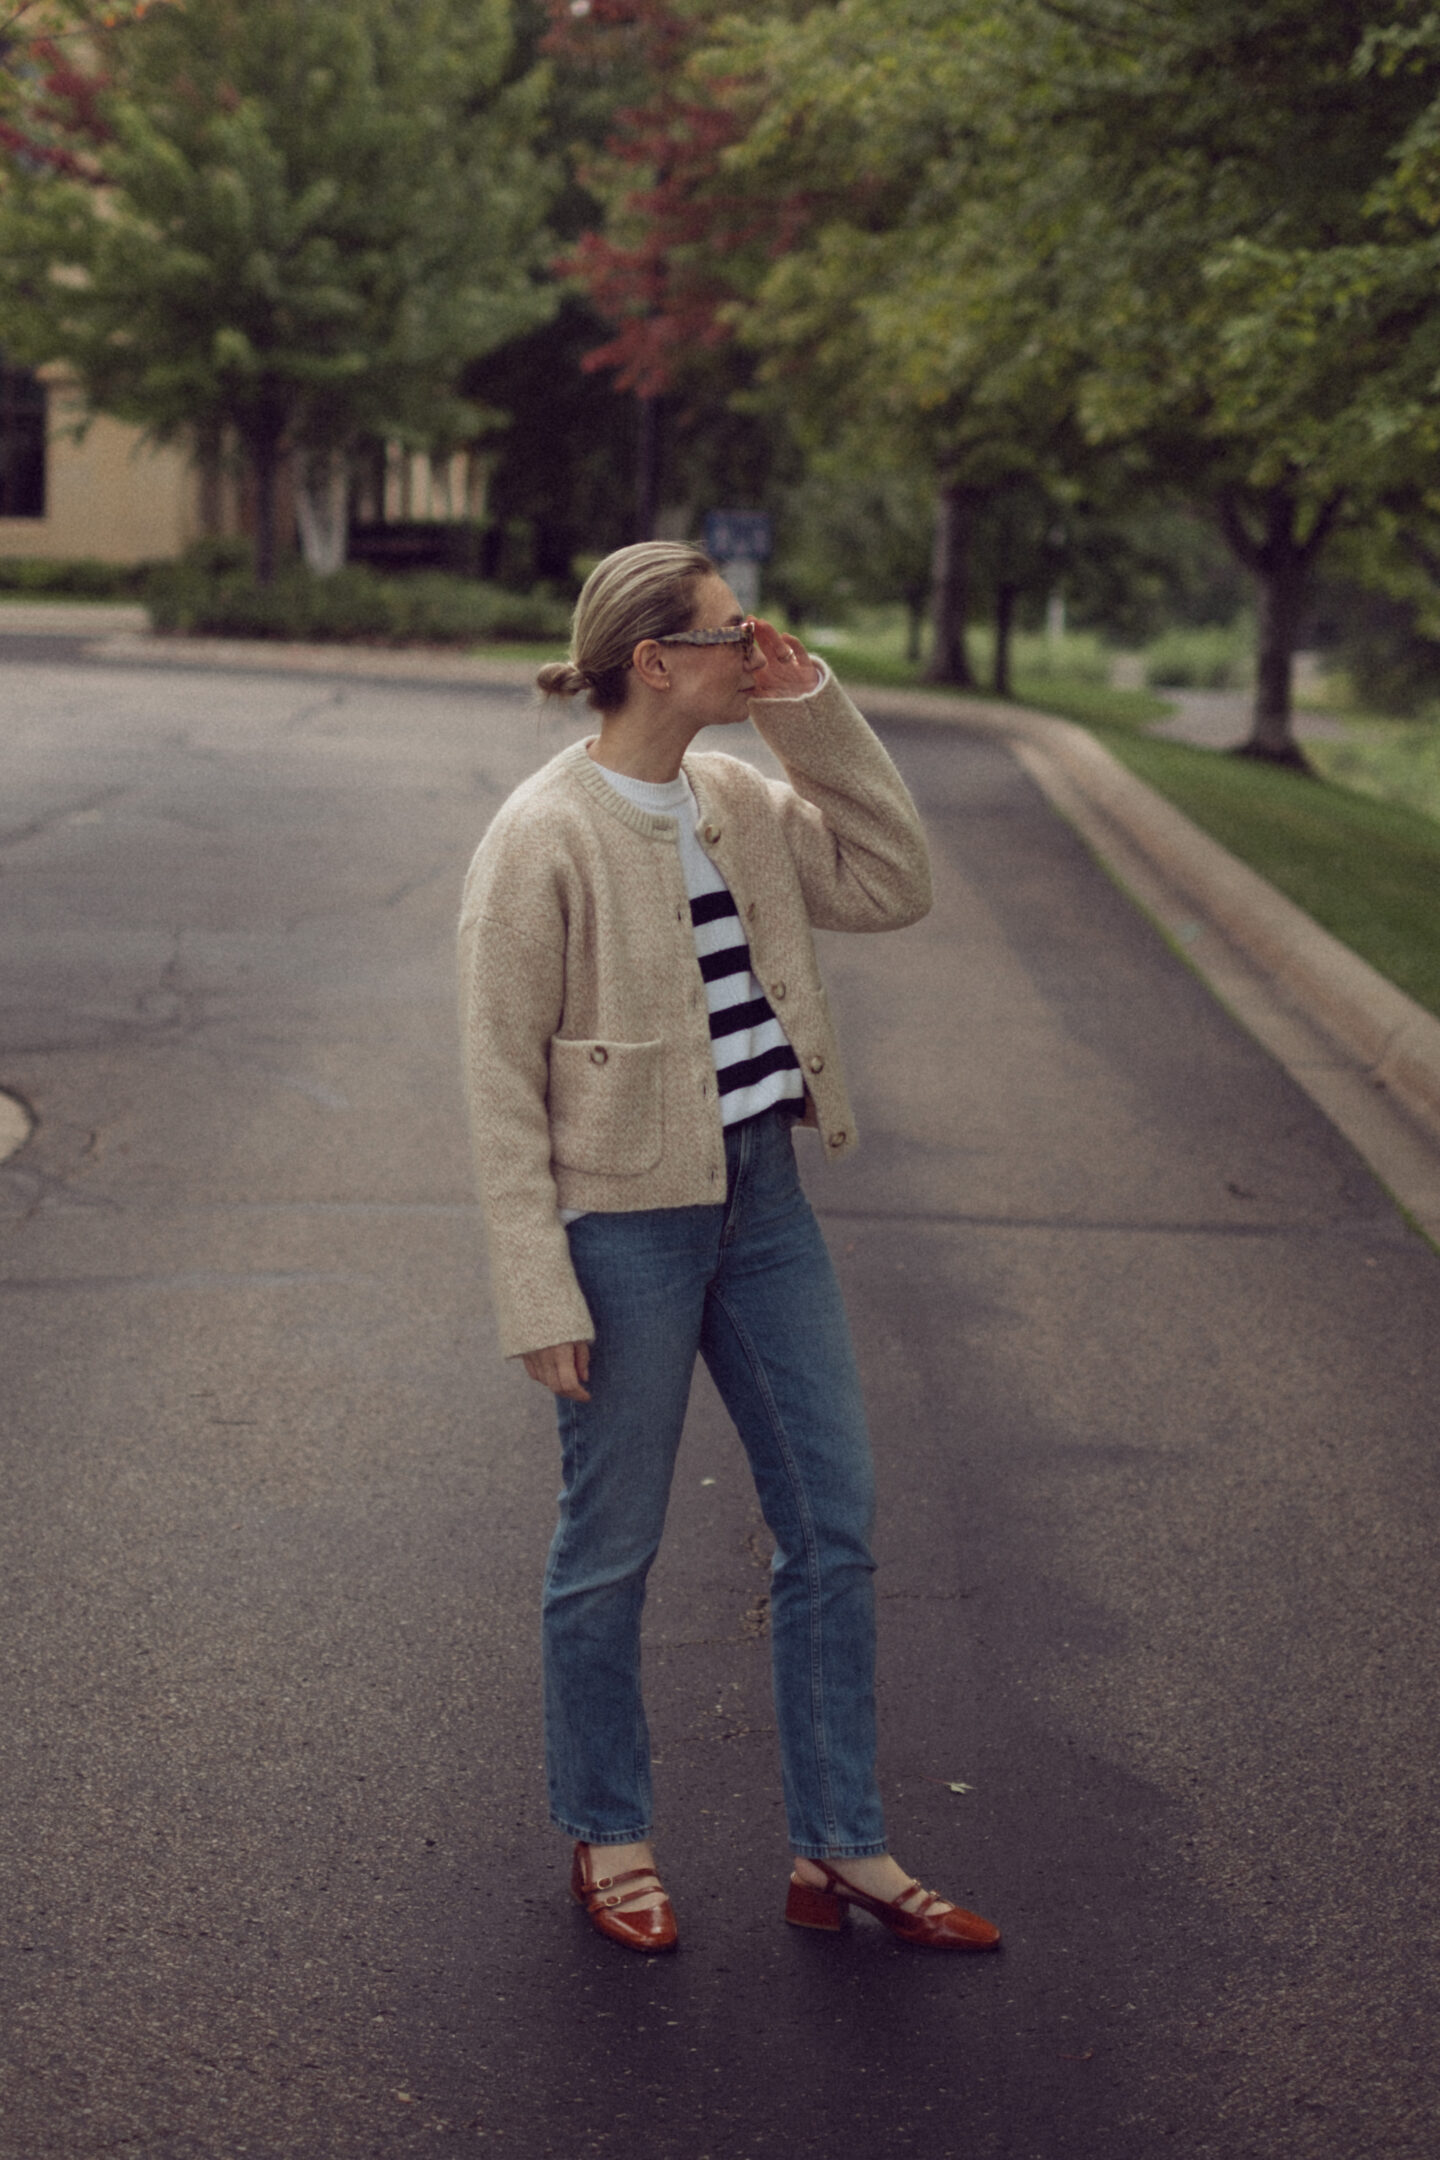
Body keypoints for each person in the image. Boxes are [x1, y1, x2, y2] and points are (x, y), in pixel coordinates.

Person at [458, 541, 999, 1956]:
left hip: (765, 1210)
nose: (750, 645)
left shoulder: (738, 797)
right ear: (654, 659)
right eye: (728, 632)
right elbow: (499, 1076)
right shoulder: (543, 832)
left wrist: (809, 706)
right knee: (611, 1549)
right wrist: (537, 1282)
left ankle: (843, 1848)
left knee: (834, 1521)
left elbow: (893, 880)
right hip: (624, 1224)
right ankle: (610, 1832)